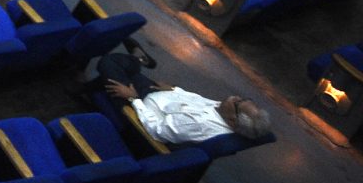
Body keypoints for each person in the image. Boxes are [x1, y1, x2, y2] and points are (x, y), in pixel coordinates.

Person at [91, 49, 273, 147]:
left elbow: (157, 131)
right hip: (154, 93)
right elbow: (197, 101)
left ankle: (136, 61)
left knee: (108, 62)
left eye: (238, 102)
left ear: (233, 121)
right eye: (243, 98)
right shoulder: (223, 111)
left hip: (137, 111)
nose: (235, 97)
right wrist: (175, 90)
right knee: (120, 65)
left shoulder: (201, 126)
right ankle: (136, 61)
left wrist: (133, 99)